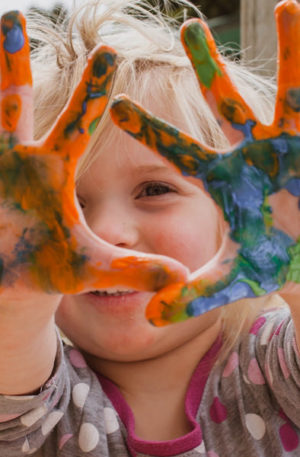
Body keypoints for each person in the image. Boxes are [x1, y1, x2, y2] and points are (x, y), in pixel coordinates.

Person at [0, 0, 299, 456]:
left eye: (154, 189)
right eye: (66, 206)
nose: (106, 231)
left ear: (241, 212)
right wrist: (18, 303)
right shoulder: (31, 398)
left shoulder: (277, 366)